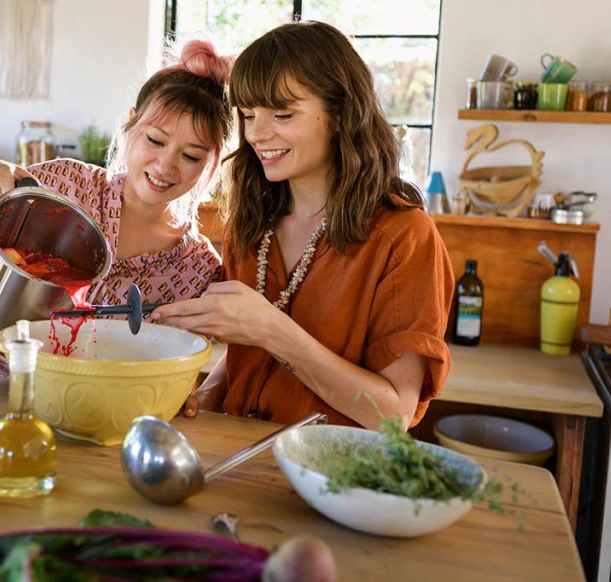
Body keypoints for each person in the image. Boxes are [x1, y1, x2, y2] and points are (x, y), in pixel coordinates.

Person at [152, 21, 453, 430]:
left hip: (331, 477)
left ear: (341, 114)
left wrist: (273, 331)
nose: (257, 134)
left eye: (283, 113)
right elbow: (247, 357)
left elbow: (394, 414)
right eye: (248, 115)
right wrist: (204, 398)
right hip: (237, 459)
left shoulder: (403, 236)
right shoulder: (253, 221)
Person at [0, 40, 234, 376]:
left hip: (81, 418)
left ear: (213, 163)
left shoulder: (196, 268)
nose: (166, 165)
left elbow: (175, 366)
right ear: (131, 124)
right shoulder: (65, 185)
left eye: (191, 156)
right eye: (155, 140)